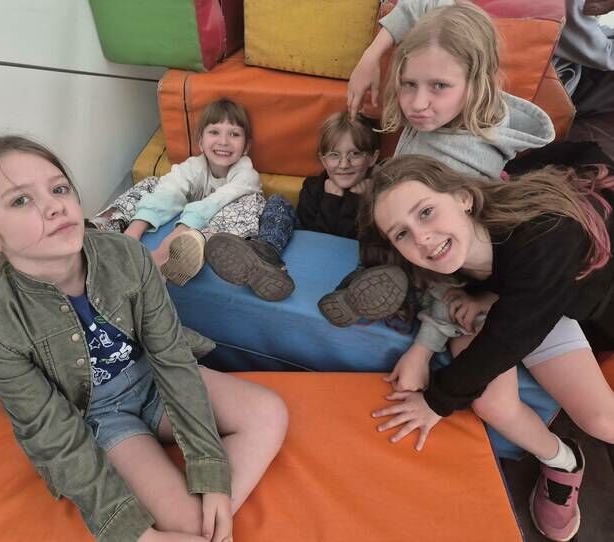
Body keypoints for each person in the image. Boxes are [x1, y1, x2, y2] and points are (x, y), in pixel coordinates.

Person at [0, 135, 288, 542]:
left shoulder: (128, 256)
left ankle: (212, 524)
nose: (55, 206)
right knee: (185, 522)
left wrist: (214, 476)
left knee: (268, 413)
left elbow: (171, 358)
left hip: (154, 380)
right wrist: (139, 536)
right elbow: (53, 435)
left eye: (59, 189)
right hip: (100, 417)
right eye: (21, 200)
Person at [361, 153, 614, 542]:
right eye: (401, 234)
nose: (421, 238)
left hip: (579, 298)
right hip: (527, 300)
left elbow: (509, 337)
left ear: (463, 198)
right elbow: (446, 299)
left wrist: (435, 401)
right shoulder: (443, 259)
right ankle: (564, 460)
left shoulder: (545, 236)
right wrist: (422, 350)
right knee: (493, 403)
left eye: (426, 212)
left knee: (603, 421)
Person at [322, 0, 555, 328]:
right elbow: (431, 4)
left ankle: (393, 293)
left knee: (384, 246)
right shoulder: (448, 107)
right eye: (408, 84)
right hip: (403, 219)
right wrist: (371, 56)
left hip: (434, 259)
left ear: (475, 80)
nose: (418, 104)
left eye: (439, 86)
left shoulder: (464, 163)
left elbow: (450, 252)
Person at [203, 112, 386, 302]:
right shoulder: (313, 187)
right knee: (278, 202)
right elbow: (314, 239)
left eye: (355, 154)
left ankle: (357, 287)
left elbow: (348, 240)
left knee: (377, 235)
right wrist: (330, 200)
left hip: (350, 258)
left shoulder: (378, 194)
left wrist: (354, 201)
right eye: (334, 155)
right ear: (323, 159)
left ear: (373, 158)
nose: (344, 164)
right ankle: (265, 253)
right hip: (309, 243)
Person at [93, 98, 265, 287]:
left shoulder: (246, 174)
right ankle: (107, 226)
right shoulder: (195, 166)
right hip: (190, 217)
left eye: (234, 134)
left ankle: (190, 250)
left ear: (246, 146)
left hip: (215, 229)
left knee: (247, 202)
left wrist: (168, 245)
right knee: (154, 183)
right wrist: (133, 234)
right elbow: (170, 189)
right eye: (214, 132)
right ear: (201, 141)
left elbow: (214, 202)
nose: (223, 141)